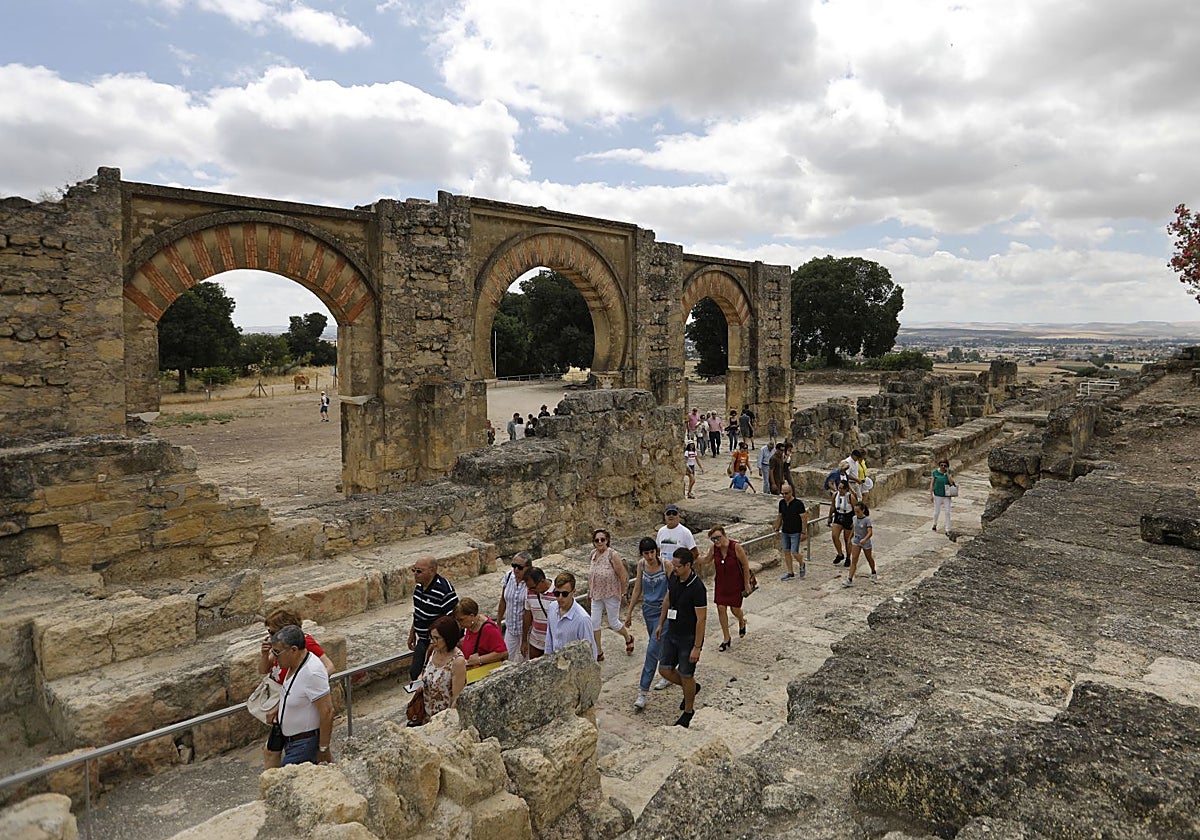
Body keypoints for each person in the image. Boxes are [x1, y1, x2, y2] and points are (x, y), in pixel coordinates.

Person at [258, 609, 336, 769]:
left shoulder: (311, 670)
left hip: (303, 742)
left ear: (293, 649)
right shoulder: (290, 661)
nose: (275, 656)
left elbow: (327, 711)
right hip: (289, 734)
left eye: (272, 632)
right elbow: (264, 669)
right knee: (270, 754)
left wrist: (323, 748)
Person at [655, 547, 707, 728]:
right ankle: (692, 688)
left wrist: (697, 647)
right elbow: (668, 600)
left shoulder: (698, 588)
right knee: (664, 669)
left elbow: (701, 619)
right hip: (672, 632)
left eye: (677, 566)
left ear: (688, 565)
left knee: (686, 674)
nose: (673, 568)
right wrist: (661, 624)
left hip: (688, 637)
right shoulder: (674, 578)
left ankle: (688, 711)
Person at [624, 537, 670, 710]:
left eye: (652, 552)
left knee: (652, 651)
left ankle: (642, 692)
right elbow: (637, 588)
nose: (650, 556)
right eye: (646, 553)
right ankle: (668, 672)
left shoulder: (666, 565)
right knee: (659, 645)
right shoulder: (641, 565)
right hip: (648, 611)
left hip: (663, 612)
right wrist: (629, 613)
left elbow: (672, 589)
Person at [408, 556, 459, 683]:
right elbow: (419, 612)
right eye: (414, 570)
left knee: (432, 677)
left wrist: (436, 642)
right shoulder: (419, 587)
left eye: (419, 571)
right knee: (414, 673)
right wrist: (412, 632)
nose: (415, 574)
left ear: (431, 571)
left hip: (437, 643)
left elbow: (451, 620)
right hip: (423, 639)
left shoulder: (444, 590)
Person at [588, 528, 635, 661]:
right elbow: (592, 574)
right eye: (597, 540)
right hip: (596, 594)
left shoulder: (612, 555)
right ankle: (599, 651)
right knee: (594, 623)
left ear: (607, 540)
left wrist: (623, 593)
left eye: (602, 539)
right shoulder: (592, 554)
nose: (600, 542)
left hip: (611, 593)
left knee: (613, 622)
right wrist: (589, 590)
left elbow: (622, 575)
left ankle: (628, 637)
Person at [705, 527, 751, 652]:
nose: (716, 541)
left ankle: (742, 620)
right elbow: (705, 560)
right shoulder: (714, 549)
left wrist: (746, 583)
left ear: (724, 535)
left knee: (735, 609)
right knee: (720, 608)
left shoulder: (736, 547)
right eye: (713, 539)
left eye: (718, 537)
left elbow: (745, 565)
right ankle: (726, 638)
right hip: (721, 583)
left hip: (735, 583)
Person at [420, 615, 467, 720]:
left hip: (442, 718)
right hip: (426, 713)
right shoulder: (433, 650)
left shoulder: (457, 661)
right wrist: (419, 682)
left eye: (436, 638)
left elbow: (457, 697)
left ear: (448, 637)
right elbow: (425, 671)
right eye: (432, 637)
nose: (433, 641)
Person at [545, 572, 598, 659]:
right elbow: (549, 638)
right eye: (557, 594)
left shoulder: (582, 619)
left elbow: (590, 652)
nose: (560, 598)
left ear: (573, 592)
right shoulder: (552, 607)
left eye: (564, 594)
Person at [455, 598, 508, 673]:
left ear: (472, 615)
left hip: (484, 671)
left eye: (461, 620)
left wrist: (479, 659)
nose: (459, 624)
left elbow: (503, 652)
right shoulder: (471, 624)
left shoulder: (488, 629)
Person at [496, 552, 530, 662]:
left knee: (524, 660)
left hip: (526, 631)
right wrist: (499, 621)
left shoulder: (531, 583)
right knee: (505, 658)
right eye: (513, 566)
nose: (516, 569)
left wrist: (524, 639)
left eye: (519, 567)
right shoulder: (508, 576)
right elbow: (503, 600)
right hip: (510, 627)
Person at [775, 483, 807, 580]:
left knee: (794, 552)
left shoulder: (798, 504)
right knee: (786, 551)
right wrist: (777, 528)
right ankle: (790, 572)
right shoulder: (782, 503)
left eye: (786, 493)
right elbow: (780, 516)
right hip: (785, 530)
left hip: (795, 531)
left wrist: (803, 532)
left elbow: (804, 518)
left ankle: (802, 563)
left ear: (791, 492)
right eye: (782, 494)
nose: (784, 496)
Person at [844, 501, 877, 586]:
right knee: (854, 559)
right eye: (855, 511)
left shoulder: (867, 520)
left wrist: (865, 539)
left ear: (862, 510)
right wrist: (850, 538)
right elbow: (854, 528)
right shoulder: (854, 518)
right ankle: (850, 579)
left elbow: (870, 532)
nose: (857, 513)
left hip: (865, 542)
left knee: (869, 558)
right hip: (856, 541)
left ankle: (873, 572)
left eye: (858, 511)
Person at [522, 567, 552, 659]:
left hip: (553, 642)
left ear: (542, 581)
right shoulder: (529, 592)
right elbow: (527, 617)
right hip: (535, 641)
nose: (531, 590)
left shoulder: (558, 593)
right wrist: (524, 641)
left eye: (533, 587)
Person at [827, 479, 856, 568]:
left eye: (841, 488)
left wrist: (855, 522)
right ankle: (840, 554)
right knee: (834, 536)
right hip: (838, 516)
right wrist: (829, 516)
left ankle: (848, 557)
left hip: (848, 517)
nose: (839, 490)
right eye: (838, 488)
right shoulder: (835, 495)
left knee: (847, 540)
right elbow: (832, 506)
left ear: (846, 489)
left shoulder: (850, 497)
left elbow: (856, 510)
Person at [930, 459, 956, 532]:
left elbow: (951, 482)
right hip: (937, 494)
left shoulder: (949, 472)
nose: (943, 467)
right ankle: (934, 524)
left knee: (947, 512)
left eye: (945, 465)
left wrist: (947, 473)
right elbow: (932, 483)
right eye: (941, 465)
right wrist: (931, 494)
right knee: (936, 512)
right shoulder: (935, 472)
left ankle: (948, 528)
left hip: (946, 495)